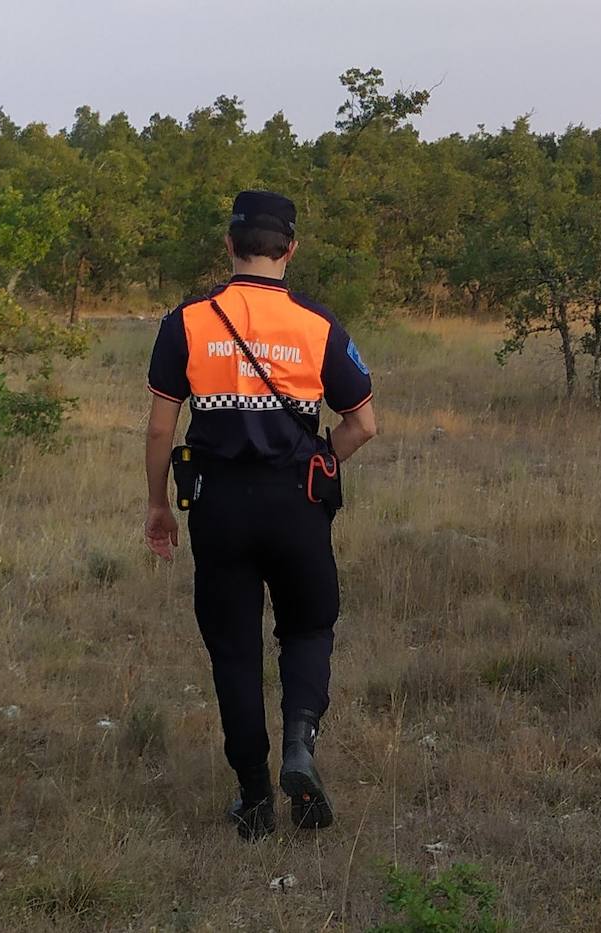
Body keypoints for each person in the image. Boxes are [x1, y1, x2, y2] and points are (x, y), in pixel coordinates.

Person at [142, 190, 377, 840]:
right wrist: (322, 456)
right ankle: (300, 740)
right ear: (291, 247)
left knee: (234, 652)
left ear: (229, 245)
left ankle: (253, 796)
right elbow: (364, 422)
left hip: (218, 507)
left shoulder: (185, 322)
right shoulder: (318, 324)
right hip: (296, 503)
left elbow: (162, 430)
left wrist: (159, 505)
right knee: (307, 629)